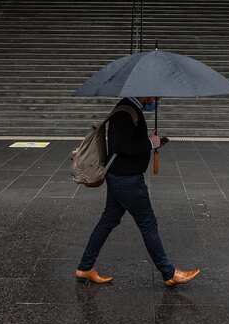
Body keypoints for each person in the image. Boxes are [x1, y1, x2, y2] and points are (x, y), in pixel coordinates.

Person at [75, 96, 201, 287]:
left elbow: (130, 141)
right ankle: (169, 273)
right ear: (144, 92)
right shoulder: (126, 112)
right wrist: (151, 143)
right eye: (154, 95)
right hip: (127, 180)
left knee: (108, 221)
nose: (156, 99)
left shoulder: (131, 108)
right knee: (147, 223)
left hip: (121, 177)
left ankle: (85, 267)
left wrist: (153, 141)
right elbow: (122, 146)